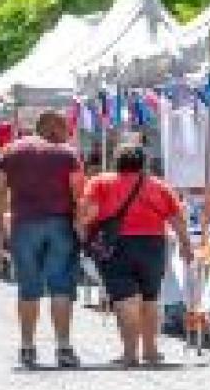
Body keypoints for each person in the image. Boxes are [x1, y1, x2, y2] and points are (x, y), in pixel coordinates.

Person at [79, 144, 192, 367]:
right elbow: (177, 218)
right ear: (144, 163)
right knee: (150, 298)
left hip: (116, 245)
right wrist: (186, 245)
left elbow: (88, 214)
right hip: (153, 244)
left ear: (117, 161)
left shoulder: (101, 182)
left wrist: (84, 232)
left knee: (125, 301)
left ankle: (130, 353)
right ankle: (150, 350)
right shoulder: (159, 185)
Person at [0, 110, 84, 369]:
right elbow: (80, 194)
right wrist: (82, 227)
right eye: (64, 127)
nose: (67, 132)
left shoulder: (10, 151)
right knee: (61, 287)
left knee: (28, 288)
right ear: (51, 127)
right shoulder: (67, 154)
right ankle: (64, 348)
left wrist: (1, 230)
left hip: (24, 224)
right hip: (60, 225)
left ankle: (27, 348)